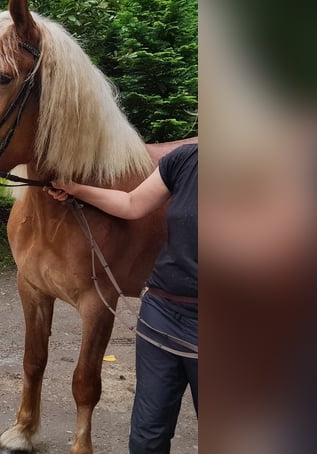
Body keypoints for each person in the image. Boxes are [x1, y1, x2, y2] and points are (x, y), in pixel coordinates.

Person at [47, 143, 197, 454]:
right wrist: (75, 189)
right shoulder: (186, 160)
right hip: (161, 316)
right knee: (147, 437)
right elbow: (131, 203)